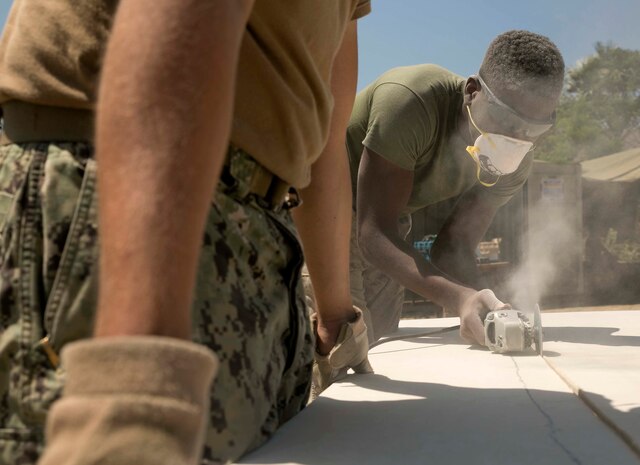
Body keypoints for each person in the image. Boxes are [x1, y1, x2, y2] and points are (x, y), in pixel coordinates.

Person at [0, 1, 370, 464]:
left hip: (251, 244)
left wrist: (337, 321)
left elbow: (325, 146)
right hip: (121, 203)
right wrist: (135, 385)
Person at [346, 30, 565, 344]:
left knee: (379, 341)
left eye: (534, 128)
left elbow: (452, 248)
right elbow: (373, 234)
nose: (518, 138)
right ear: (473, 91)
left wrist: (490, 303)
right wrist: (461, 297)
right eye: (507, 119)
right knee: (341, 344)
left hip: (389, 223)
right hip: (321, 208)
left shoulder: (515, 161)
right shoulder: (411, 101)